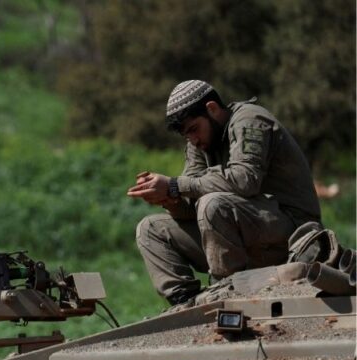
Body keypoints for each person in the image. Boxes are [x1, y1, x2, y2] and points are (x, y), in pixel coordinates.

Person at [128, 80, 321, 306]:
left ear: (212, 109)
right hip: (240, 233)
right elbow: (193, 208)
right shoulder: (199, 143)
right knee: (150, 229)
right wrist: (170, 200)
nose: (193, 139)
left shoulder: (249, 120)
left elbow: (245, 180)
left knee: (213, 204)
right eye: (186, 135)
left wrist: (174, 185)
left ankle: (226, 294)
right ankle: (186, 302)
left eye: (193, 129)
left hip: (291, 232)